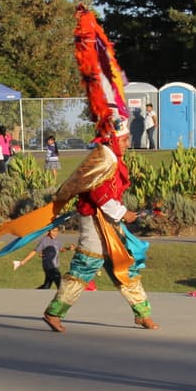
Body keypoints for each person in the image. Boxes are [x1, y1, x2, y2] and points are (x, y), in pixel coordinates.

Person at [41, 118, 157, 332]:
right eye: (124, 140)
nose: (127, 144)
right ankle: (54, 312)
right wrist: (123, 213)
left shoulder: (109, 159)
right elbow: (97, 193)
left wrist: (120, 214)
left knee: (124, 266)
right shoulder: (103, 160)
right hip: (95, 219)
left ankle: (143, 314)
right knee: (86, 264)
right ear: (113, 140)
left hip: (108, 220)